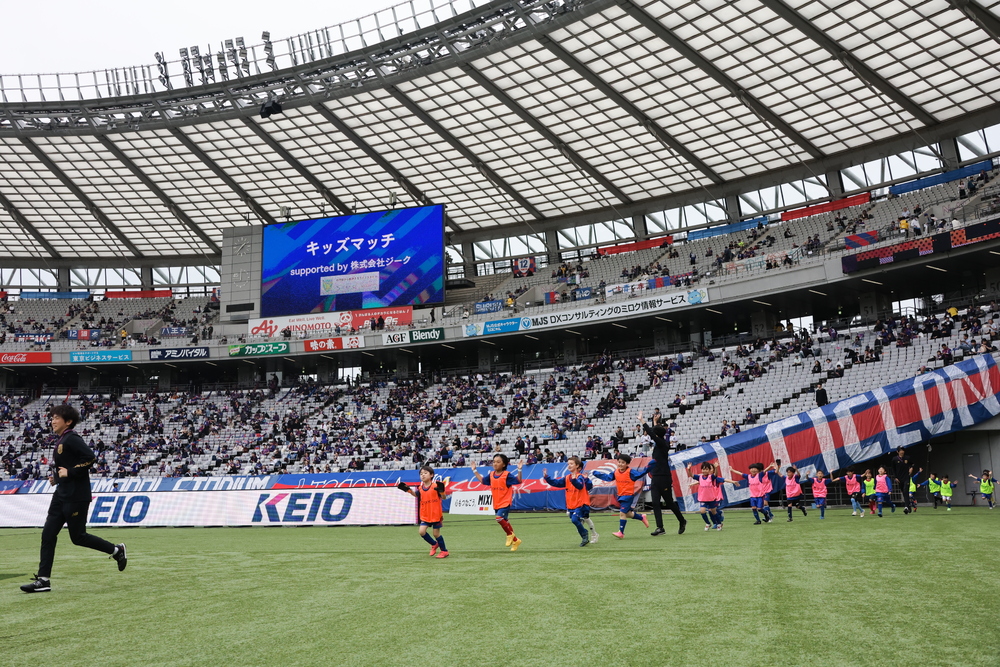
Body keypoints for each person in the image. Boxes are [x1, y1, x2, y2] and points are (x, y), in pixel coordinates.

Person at [21, 404, 127, 594]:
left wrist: (69, 472)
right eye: (52, 417)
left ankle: (117, 551)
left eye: (56, 418)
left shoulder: (72, 438)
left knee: (78, 537)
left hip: (76, 496)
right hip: (61, 494)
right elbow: (67, 465)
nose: (52, 421)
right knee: (48, 534)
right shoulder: (62, 439)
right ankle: (43, 580)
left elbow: (90, 458)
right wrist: (57, 477)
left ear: (68, 421)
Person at [638, 411, 686, 536]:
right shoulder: (661, 441)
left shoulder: (662, 443)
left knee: (669, 502)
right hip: (656, 476)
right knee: (655, 503)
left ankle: (682, 520)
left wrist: (642, 421)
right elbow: (656, 433)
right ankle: (660, 527)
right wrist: (655, 421)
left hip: (664, 477)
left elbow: (652, 433)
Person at [470, 454, 524, 551]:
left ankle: (509, 535)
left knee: (499, 518)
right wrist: (474, 470)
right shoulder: (491, 475)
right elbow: (482, 481)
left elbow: (519, 480)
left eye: (498, 462)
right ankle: (516, 540)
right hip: (496, 503)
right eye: (494, 462)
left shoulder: (507, 475)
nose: (495, 464)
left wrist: (519, 469)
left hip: (505, 502)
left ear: (504, 464)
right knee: (505, 521)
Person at [591, 454, 651, 539]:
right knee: (627, 514)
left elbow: (640, 474)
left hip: (628, 496)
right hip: (620, 496)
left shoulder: (631, 472)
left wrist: (649, 467)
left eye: (623, 462)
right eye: (619, 462)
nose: (620, 464)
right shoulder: (616, 472)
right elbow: (608, 477)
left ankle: (621, 533)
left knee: (622, 513)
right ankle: (642, 517)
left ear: (627, 464)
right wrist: (596, 474)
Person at [398, 466, 449, 558]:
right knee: (421, 532)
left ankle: (444, 551)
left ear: (431, 475)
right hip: (425, 514)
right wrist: (408, 490)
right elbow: (416, 495)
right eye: (421, 474)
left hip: (435, 514)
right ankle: (434, 544)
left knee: (436, 534)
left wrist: (442, 491)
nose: (423, 475)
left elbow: (444, 497)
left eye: (425, 473)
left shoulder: (436, 486)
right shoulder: (420, 488)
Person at [543, 457, 595, 547]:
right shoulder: (567, 478)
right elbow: (556, 483)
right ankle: (584, 529)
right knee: (574, 520)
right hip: (571, 505)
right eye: (568, 464)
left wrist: (574, 480)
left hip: (581, 504)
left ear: (577, 466)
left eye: (571, 464)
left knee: (574, 519)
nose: (569, 465)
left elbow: (579, 486)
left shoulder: (581, 477)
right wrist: (547, 477)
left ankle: (585, 535)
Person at [686, 462, 733, 531]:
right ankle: (708, 523)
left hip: (711, 498)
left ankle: (719, 524)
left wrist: (716, 468)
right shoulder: (700, 477)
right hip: (703, 498)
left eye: (706, 469)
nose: (704, 471)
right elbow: (692, 475)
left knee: (713, 512)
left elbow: (716, 475)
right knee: (702, 511)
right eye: (703, 469)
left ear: (709, 470)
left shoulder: (711, 477)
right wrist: (689, 469)